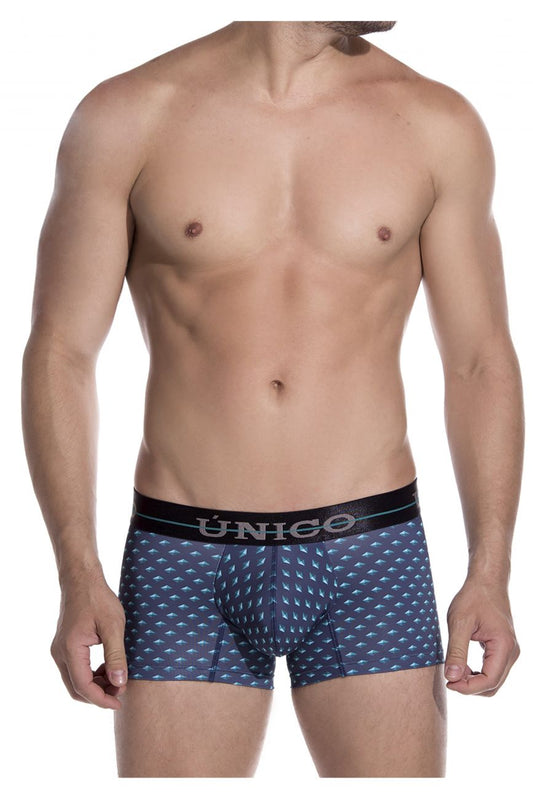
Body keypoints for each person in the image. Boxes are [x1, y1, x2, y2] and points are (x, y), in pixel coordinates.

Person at [21, 21, 523, 778]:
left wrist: (491, 570)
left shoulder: (434, 123)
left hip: (370, 555)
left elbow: (480, 361)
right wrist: (75, 568)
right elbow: (61, 351)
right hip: (183, 559)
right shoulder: (129, 114)